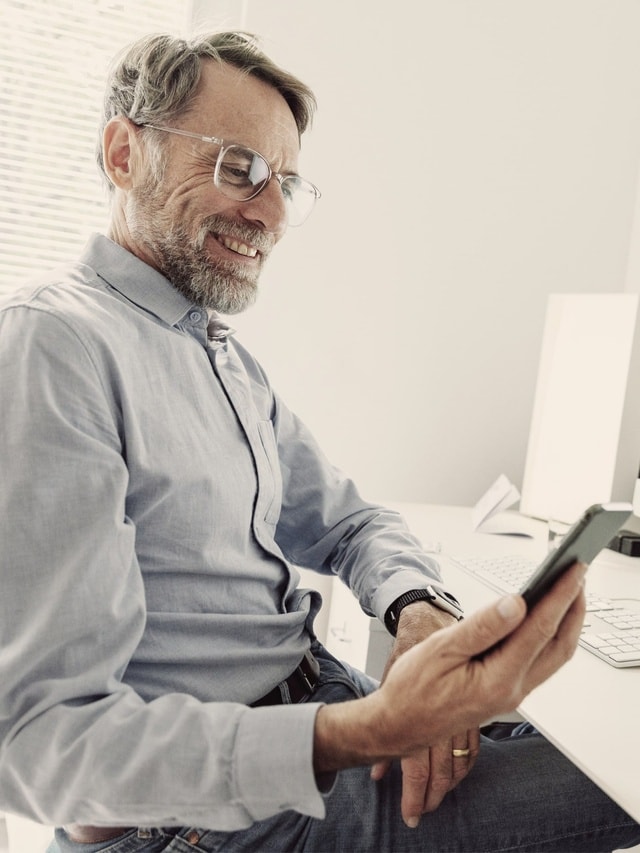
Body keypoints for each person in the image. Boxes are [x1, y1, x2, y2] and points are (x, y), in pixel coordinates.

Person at [0, 31, 638, 853]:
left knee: (585, 752)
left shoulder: (216, 355)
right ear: (126, 152)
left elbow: (351, 523)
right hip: (205, 817)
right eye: (239, 168)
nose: (270, 212)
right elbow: (43, 748)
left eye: (286, 183)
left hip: (315, 710)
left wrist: (416, 607)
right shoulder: (54, 349)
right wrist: (360, 731)